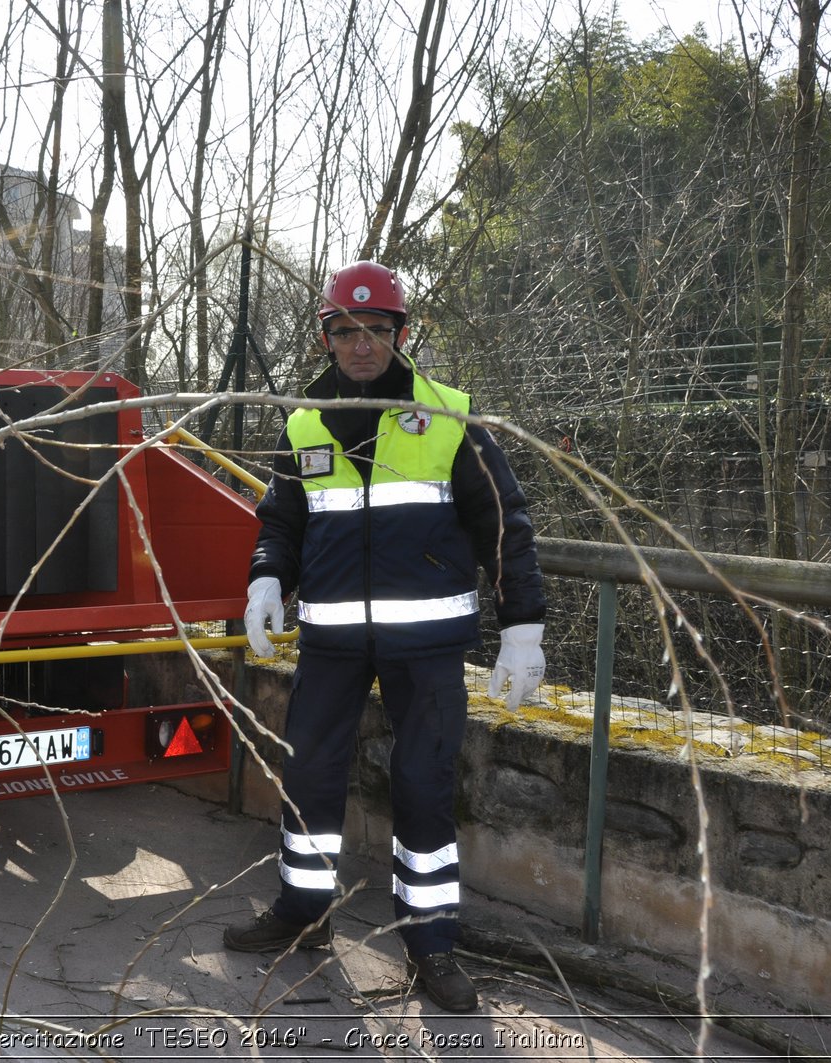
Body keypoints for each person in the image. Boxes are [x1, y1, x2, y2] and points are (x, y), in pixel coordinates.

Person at [224, 260, 546, 1014]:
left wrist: (522, 627)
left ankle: (431, 943)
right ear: (325, 338)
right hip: (331, 644)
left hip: (428, 647)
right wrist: (267, 577)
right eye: (346, 331)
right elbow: (282, 521)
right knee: (309, 782)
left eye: (376, 330)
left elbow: (504, 524)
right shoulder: (303, 421)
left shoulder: (448, 415)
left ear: (402, 335)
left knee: (425, 790)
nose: (361, 345)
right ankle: (302, 913)